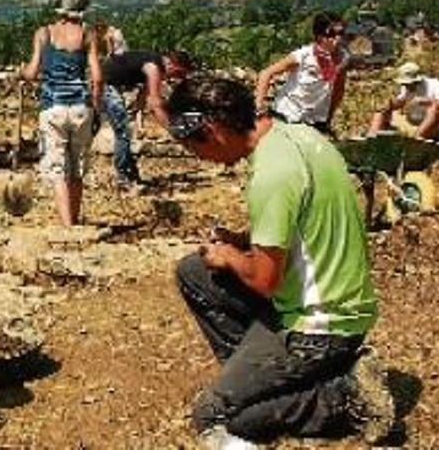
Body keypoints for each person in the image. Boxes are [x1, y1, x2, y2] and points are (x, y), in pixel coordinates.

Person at [167, 76, 394, 447]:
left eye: (195, 148)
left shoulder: (272, 173)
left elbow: (264, 282)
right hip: (343, 305)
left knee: (217, 416)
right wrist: (243, 242)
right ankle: (266, 376)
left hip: (319, 326)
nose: (201, 158)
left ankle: (344, 396)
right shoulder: (298, 136)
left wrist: (228, 256)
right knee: (194, 272)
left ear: (212, 130)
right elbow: (302, 227)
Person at [20, 0, 102, 225]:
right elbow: (97, 77)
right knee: (77, 168)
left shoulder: (43, 33)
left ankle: (67, 227)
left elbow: (32, 73)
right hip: (80, 107)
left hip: (52, 107)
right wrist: (97, 107)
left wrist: (22, 72)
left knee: (57, 168)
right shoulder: (88, 35)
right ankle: (74, 221)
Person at [100, 49, 192, 186]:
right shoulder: (153, 67)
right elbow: (155, 102)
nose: (176, 77)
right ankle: (123, 177)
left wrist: (138, 109)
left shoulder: (154, 64)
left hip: (113, 84)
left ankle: (130, 173)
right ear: (172, 64)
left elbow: (145, 92)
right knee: (123, 133)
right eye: (178, 73)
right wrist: (173, 129)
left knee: (125, 133)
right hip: (106, 85)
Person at [255, 12, 349, 136]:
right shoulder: (303, 56)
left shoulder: (343, 58)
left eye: (341, 33)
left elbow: (338, 90)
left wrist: (329, 116)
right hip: (287, 116)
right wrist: (259, 108)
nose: (337, 38)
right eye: (331, 34)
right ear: (320, 36)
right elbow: (266, 73)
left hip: (315, 120)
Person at [368, 61, 439, 138]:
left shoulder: (434, 84)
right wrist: (391, 104)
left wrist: (425, 101)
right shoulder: (406, 88)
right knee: (383, 107)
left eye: (409, 84)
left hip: (432, 125)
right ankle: (372, 137)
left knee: (435, 107)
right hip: (412, 121)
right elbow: (401, 101)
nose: (406, 86)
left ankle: (418, 139)